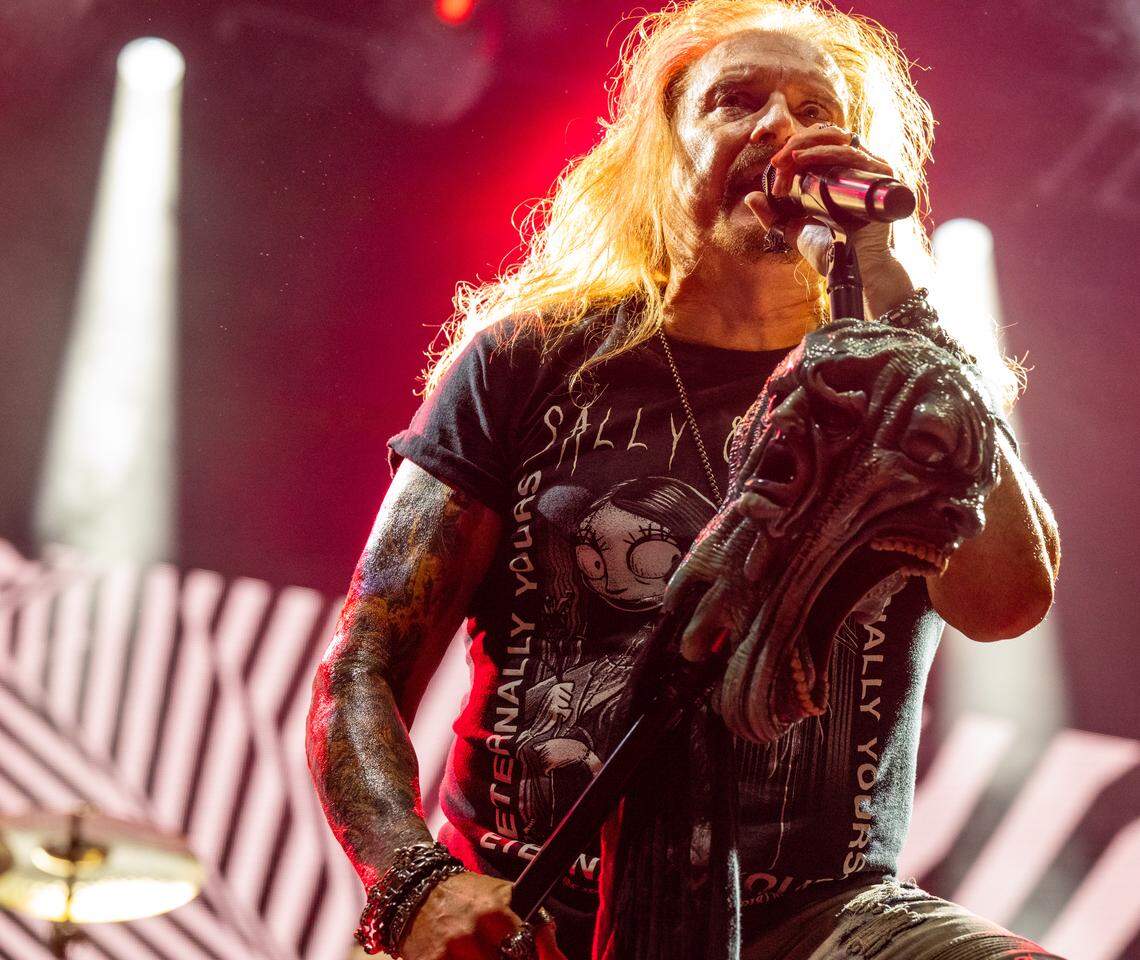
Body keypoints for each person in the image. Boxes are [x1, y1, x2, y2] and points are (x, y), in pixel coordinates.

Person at [306, 1, 1061, 958]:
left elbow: (1007, 602)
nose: (781, 130)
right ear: (664, 150)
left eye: (815, 109)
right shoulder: (530, 362)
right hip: (527, 907)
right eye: (736, 101)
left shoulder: (915, 384)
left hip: (820, 920)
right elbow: (363, 667)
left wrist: (894, 283)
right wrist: (416, 887)